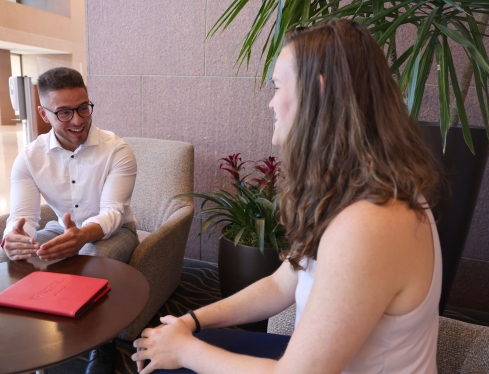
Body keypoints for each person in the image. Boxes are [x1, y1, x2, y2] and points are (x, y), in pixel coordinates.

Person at [132, 19, 442, 374]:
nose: (270, 103)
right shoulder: (350, 190)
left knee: (169, 366)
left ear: (317, 94)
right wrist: (191, 322)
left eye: (277, 86)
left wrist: (185, 352)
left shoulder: (371, 221)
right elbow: (283, 281)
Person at [0, 67, 139, 374]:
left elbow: (113, 213)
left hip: (115, 232)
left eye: (83, 108)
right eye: (63, 112)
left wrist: (82, 236)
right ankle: (20, 332)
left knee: (92, 256)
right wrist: (15, 236)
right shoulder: (29, 157)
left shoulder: (118, 150)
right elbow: (24, 218)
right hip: (61, 229)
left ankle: (104, 345)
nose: (77, 120)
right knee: (5, 255)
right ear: (43, 113)